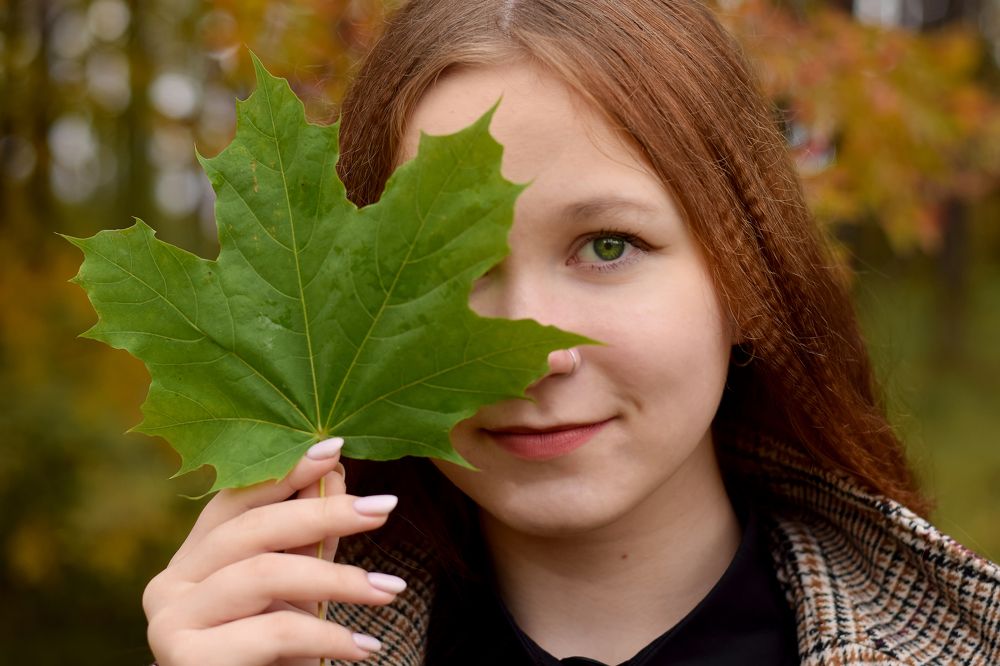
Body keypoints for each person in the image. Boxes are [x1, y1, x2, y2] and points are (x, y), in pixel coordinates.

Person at [142, 1, 1000, 664]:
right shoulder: (268, 646)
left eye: (607, 246)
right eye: (444, 269)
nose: (533, 354)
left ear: (744, 276)